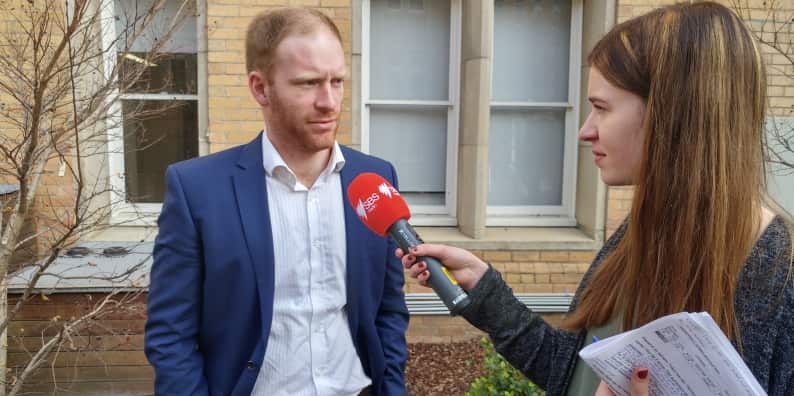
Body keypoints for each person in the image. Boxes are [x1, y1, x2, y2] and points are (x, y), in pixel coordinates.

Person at [400, 2, 794, 395]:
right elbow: (573, 375)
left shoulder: (777, 280)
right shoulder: (639, 233)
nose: (585, 131)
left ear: (671, 116)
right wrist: (486, 292)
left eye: (601, 108)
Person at [144, 8, 409, 396]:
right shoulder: (197, 189)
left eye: (337, 81)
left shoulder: (375, 179)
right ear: (260, 88)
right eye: (308, 83)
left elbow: (388, 309)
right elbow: (171, 335)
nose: (329, 101)